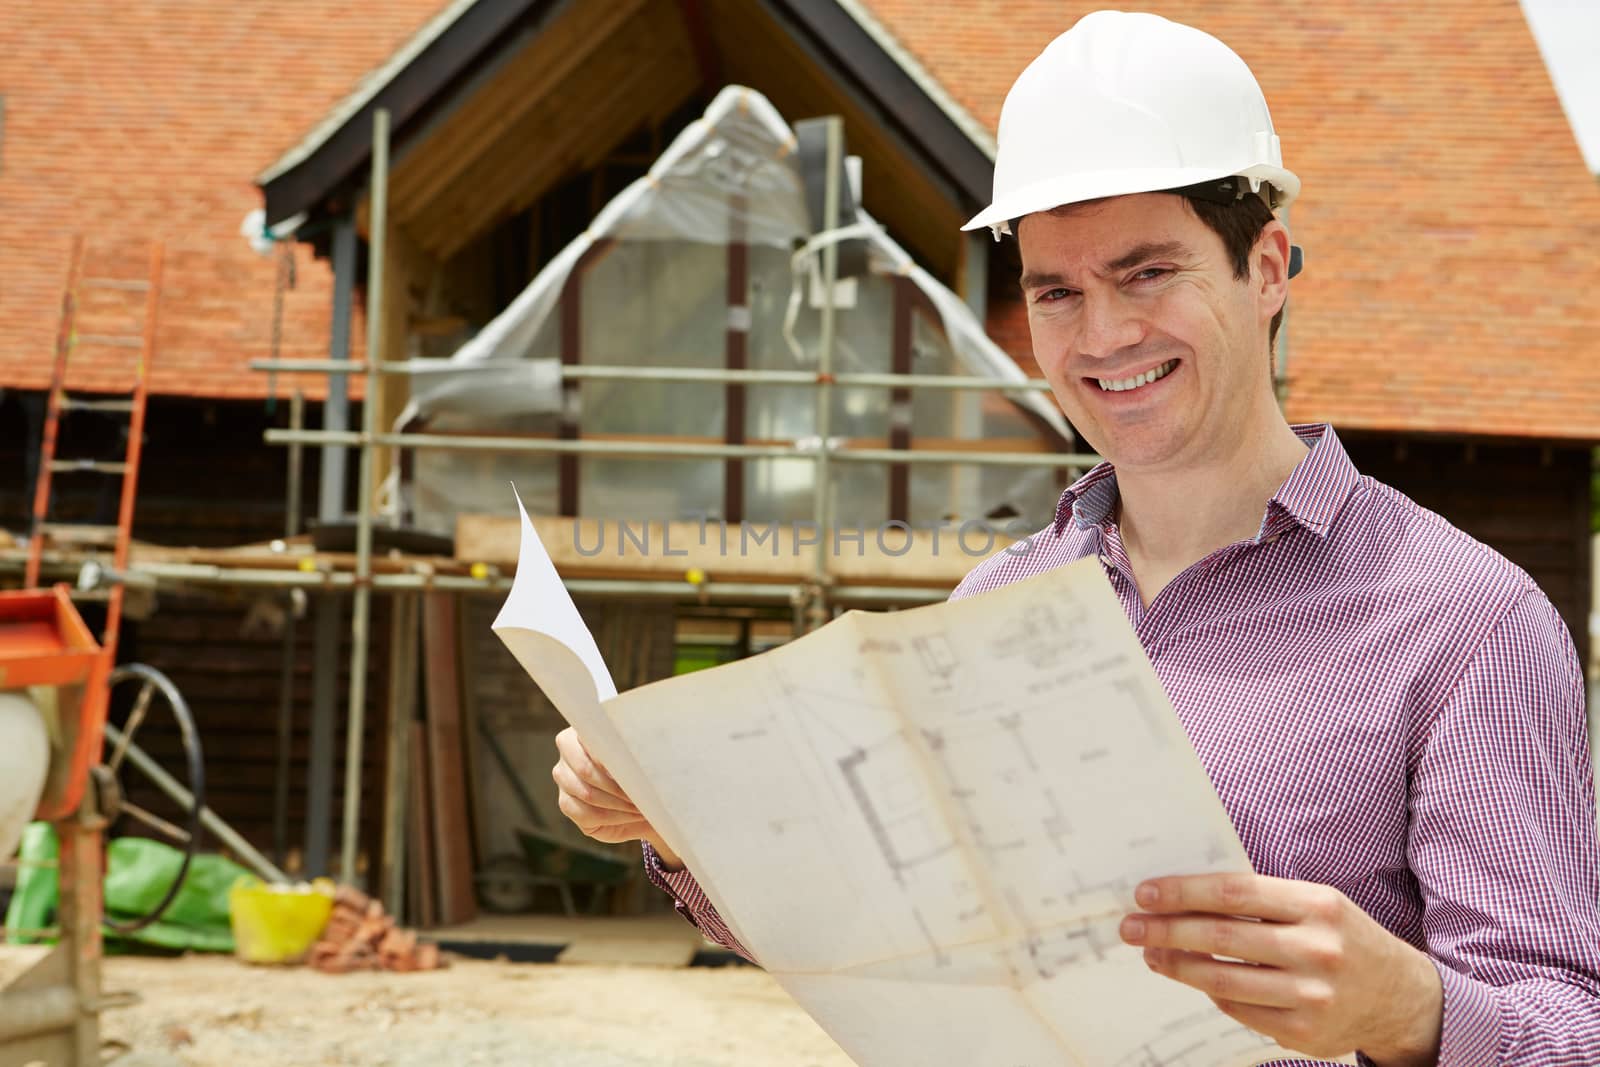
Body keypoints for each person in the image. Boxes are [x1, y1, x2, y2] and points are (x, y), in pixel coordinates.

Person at [552, 10, 1600, 1064]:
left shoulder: (1466, 623)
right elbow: (874, 942)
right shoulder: (995, 601)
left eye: (1147, 273)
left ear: (1268, 265)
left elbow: (1574, 1031)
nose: (1102, 337)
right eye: (1057, 292)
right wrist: (675, 824)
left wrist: (1408, 1011)